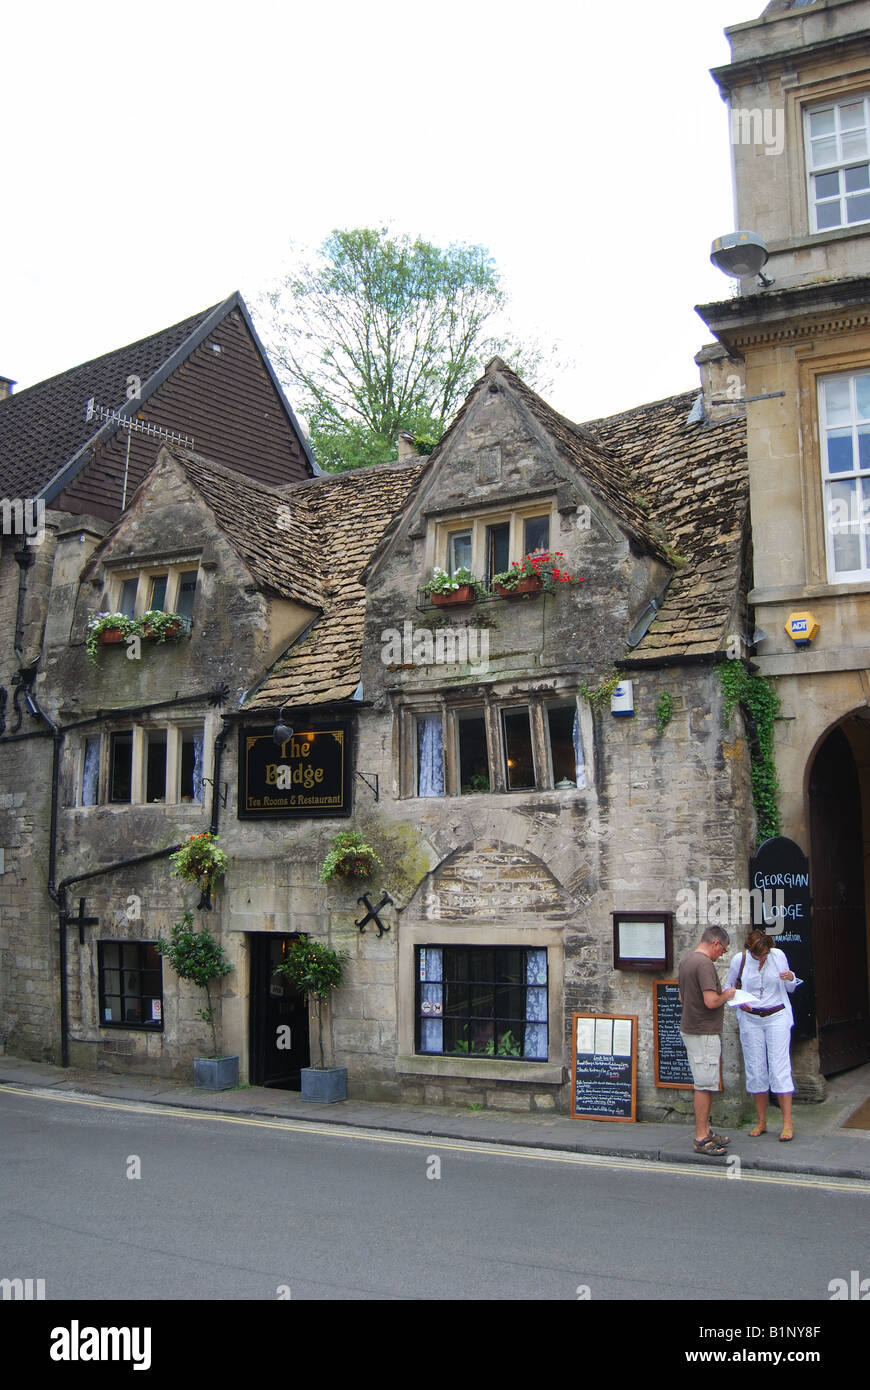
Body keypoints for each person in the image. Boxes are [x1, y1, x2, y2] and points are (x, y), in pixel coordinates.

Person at [725, 928, 802, 1142]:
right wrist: (741, 1003)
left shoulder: (778, 956)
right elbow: (728, 988)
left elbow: (791, 988)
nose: (762, 958)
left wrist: (791, 977)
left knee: (779, 1067)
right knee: (756, 1068)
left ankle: (787, 1123)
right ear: (750, 951)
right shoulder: (738, 961)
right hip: (751, 1019)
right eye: (758, 955)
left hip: (777, 1015)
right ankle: (761, 1121)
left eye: (765, 954)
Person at [678, 925, 736, 1156]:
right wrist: (728, 995)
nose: (722, 954)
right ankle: (701, 1138)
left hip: (692, 1028)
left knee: (705, 1082)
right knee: (704, 1085)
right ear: (716, 944)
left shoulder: (687, 961)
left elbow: (682, 996)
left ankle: (706, 1130)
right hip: (703, 1032)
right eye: (723, 950)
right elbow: (711, 1001)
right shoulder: (704, 964)